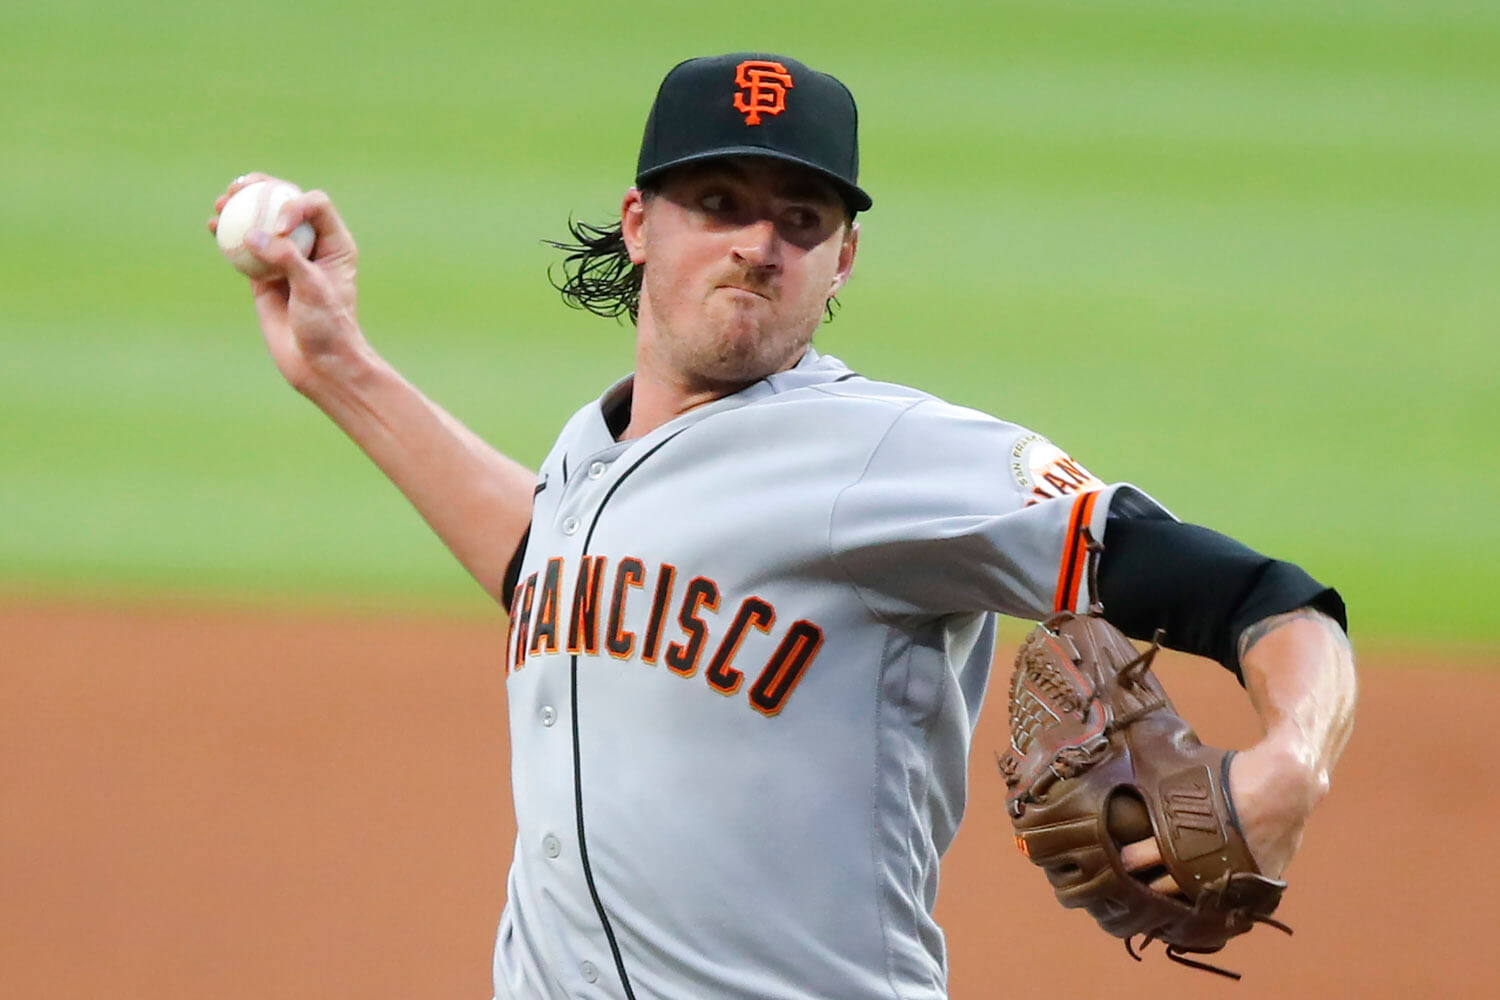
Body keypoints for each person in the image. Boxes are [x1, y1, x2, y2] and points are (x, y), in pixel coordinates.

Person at [209, 52, 1356, 1000]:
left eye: (799, 219)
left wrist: (1290, 766)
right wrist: (339, 368)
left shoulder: (891, 455)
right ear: (638, 224)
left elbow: (1258, 597)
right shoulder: (590, 452)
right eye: (719, 204)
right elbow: (551, 564)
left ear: (841, 259)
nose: (758, 242)